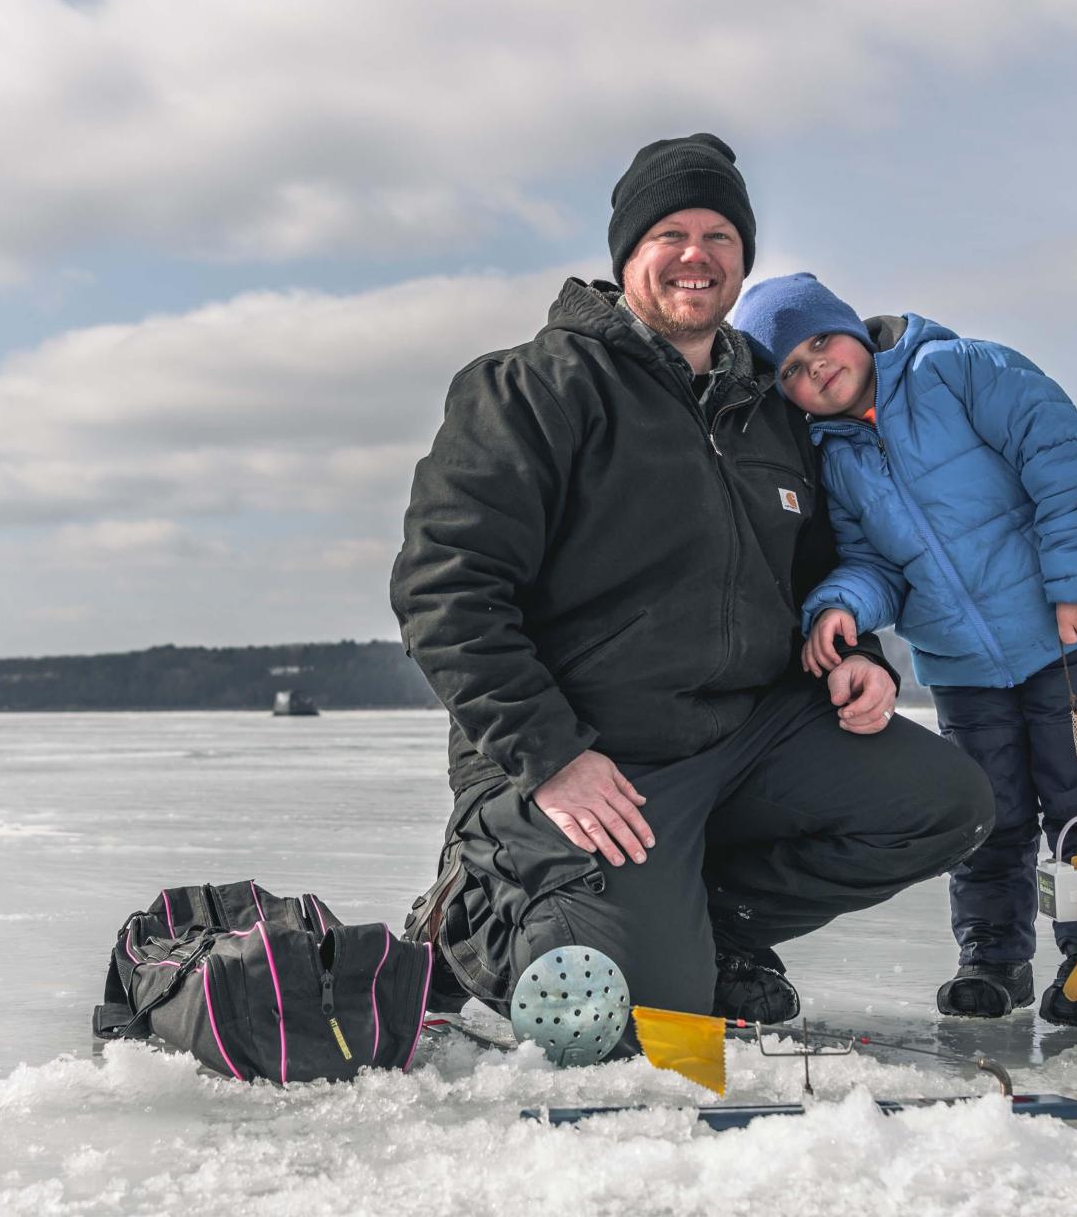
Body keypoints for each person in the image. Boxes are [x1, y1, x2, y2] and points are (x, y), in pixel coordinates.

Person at [390, 135, 994, 1045]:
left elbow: (815, 565)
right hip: (596, 752)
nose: (695, 253)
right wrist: (551, 755)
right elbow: (447, 590)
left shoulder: (767, 403)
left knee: (948, 803)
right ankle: (481, 910)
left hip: (746, 732)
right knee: (635, 1029)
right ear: (627, 254)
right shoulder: (533, 389)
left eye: (719, 233)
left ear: (742, 259)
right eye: (668, 232)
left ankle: (710, 927)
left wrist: (854, 651)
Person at [733, 272, 1077, 1026]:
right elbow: (873, 563)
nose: (814, 368)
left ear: (850, 329)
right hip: (963, 669)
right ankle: (992, 962)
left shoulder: (958, 369)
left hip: (1069, 639)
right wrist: (841, 605)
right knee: (991, 818)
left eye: (820, 342)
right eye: (791, 368)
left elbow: (1063, 460)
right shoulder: (831, 456)